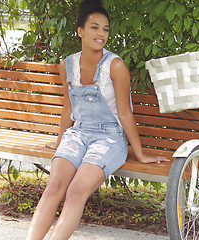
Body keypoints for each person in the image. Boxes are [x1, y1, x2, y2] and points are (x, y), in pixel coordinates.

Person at [26, 0, 169, 239]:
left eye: (105, 29)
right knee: (54, 187)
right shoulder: (67, 65)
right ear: (80, 31)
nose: (101, 33)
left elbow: (125, 112)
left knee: (75, 191)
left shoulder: (115, 66)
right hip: (78, 133)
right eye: (94, 27)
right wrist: (60, 140)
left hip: (109, 138)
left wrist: (140, 153)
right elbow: (68, 108)